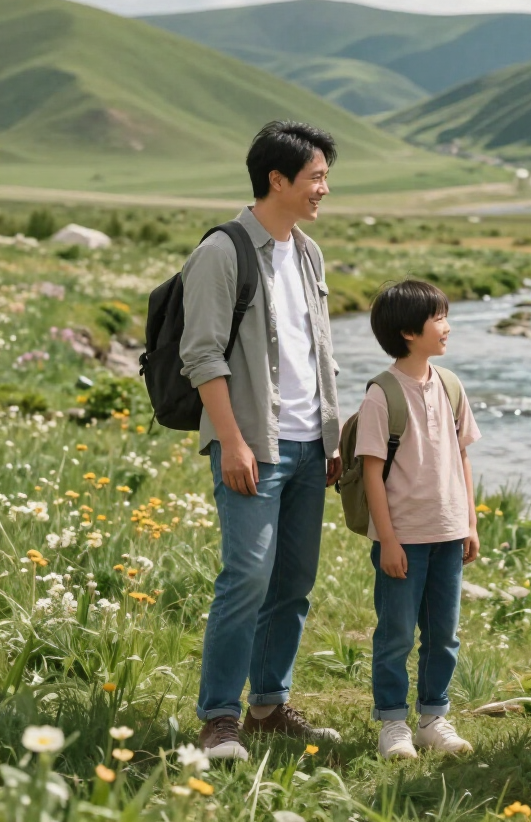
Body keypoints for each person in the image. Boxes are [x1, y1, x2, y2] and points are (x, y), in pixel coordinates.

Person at [180, 120, 343, 760]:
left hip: (309, 446)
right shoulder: (222, 251)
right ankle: (218, 718)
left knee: (294, 582)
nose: (324, 189)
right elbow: (202, 357)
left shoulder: (307, 252)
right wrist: (234, 442)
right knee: (246, 575)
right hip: (251, 445)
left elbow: (318, 350)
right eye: (316, 177)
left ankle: (269, 707)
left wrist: (330, 436)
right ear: (277, 180)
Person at [356, 280, 481, 760]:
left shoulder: (451, 386)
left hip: (449, 533)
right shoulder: (381, 394)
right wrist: (386, 539)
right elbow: (371, 472)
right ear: (409, 332)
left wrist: (469, 521)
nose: (447, 326)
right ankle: (392, 722)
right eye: (438, 318)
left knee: (444, 634)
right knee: (396, 633)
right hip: (403, 538)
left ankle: (433, 717)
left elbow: (464, 457)